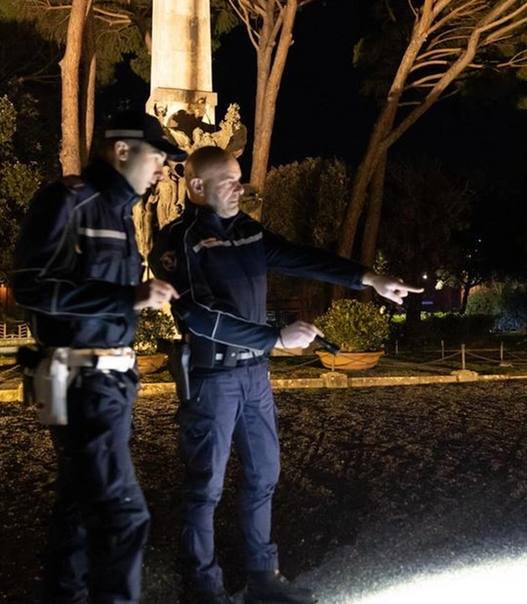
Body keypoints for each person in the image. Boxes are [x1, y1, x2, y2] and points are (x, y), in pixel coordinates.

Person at [150, 146, 422, 604]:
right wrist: (274, 338)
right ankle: (205, 589)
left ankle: (263, 579)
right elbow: (198, 317)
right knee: (204, 487)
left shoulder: (248, 232)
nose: (240, 189)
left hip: (255, 378)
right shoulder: (176, 242)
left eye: (240, 179)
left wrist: (369, 278)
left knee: (264, 476)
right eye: (228, 181)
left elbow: (303, 258)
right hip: (211, 380)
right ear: (197, 187)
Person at [12, 111, 186, 604]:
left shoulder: (118, 214)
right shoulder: (69, 200)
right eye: (158, 157)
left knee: (78, 508)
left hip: (99, 378)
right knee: (123, 516)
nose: (164, 169)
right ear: (122, 151)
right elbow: (31, 285)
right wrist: (127, 298)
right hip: (75, 377)